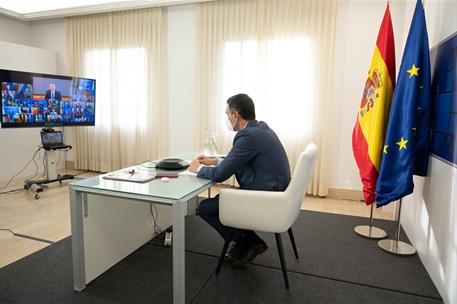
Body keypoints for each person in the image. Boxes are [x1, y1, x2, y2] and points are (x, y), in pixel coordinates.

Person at [189, 93, 291, 267]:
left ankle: (248, 242)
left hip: (266, 198)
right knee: (220, 202)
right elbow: (239, 159)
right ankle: (249, 242)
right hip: (278, 193)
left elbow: (220, 175)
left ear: (235, 115)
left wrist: (196, 168)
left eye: (227, 114)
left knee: (205, 208)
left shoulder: (247, 137)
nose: (227, 118)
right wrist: (213, 161)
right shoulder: (260, 129)